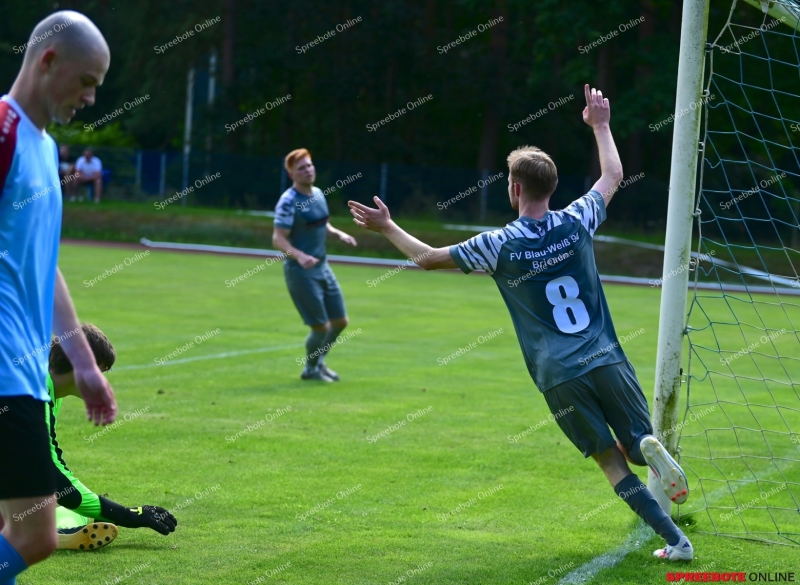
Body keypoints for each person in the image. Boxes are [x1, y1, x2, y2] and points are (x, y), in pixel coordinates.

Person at [348, 85, 694, 561]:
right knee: (635, 445)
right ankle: (645, 446)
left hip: (559, 373)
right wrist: (600, 125)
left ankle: (677, 543)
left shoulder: (499, 244)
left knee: (609, 462)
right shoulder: (578, 219)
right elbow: (613, 173)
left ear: (514, 188)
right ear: (551, 188)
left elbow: (427, 259)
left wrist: (387, 226)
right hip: (605, 356)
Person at [0, 10, 117, 584]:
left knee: (23, 532)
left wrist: (85, 364)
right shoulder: (3, 130)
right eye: (88, 81)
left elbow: (45, 268)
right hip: (1, 372)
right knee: (34, 533)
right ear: (49, 62)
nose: (92, 97)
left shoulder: (45, 151)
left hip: (21, 372)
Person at [46, 324, 177, 551]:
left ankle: (57, 534)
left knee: (60, 506)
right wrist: (125, 514)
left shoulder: (49, 387)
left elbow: (50, 456)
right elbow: (50, 473)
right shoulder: (32, 391)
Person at [272, 148, 358, 382]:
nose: (308, 171)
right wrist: (300, 256)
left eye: (309, 165)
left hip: (322, 267)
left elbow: (323, 225)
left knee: (340, 322)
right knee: (320, 327)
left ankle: (318, 362)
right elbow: (278, 239)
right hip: (301, 272)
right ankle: (310, 369)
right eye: (301, 168)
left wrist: (339, 234)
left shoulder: (319, 193)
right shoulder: (288, 202)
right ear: (292, 175)